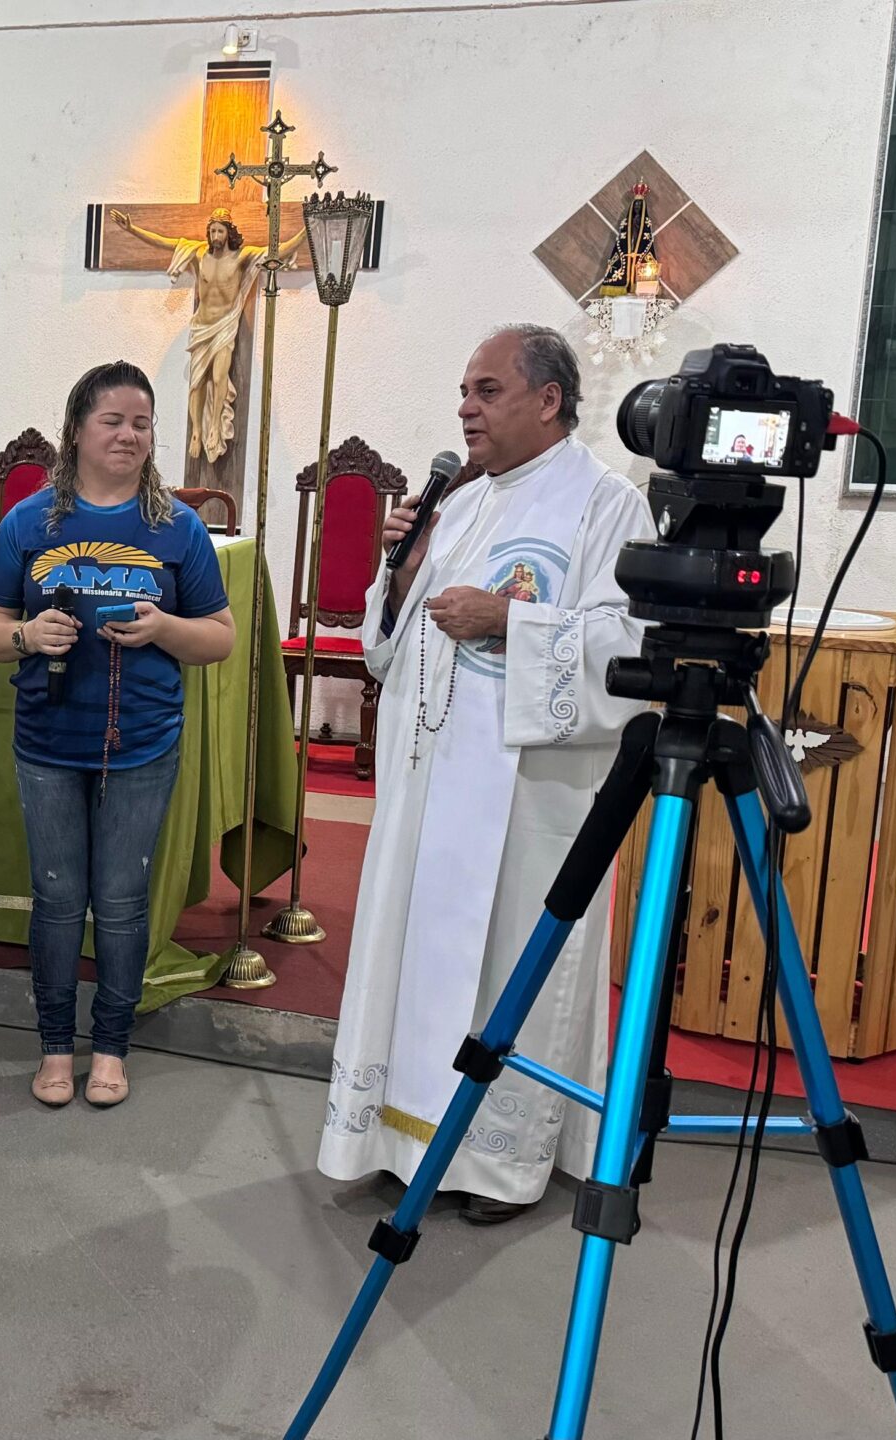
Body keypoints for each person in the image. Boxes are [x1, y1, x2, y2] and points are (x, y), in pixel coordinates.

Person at [318, 324, 656, 1224]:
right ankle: (408, 1141)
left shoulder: (607, 506)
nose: (466, 408)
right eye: (464, 392)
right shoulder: (461, 505)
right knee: (419, 964)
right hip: (429, 793)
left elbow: (631, 649)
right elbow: (387, 653)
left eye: (488, 390)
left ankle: (500, 1165)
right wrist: (403, 575)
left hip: (528, 803)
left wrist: (510, 622)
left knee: (511, 963)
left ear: (549, 400)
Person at [0, 361, 236, 1108]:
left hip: (142, 745)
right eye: (112, 421)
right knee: (56, 899)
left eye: (142, 424)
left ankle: (112, 1044)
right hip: (48, 744)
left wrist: (164, 628)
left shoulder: (177, 528)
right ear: (76, 430)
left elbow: (219, 637)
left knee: (120, 899)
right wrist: (25, 636)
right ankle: (56, 1045)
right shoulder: (30, 522)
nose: (128, 435)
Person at [109, 207, 303, 485]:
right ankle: (197, 432)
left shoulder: (242, 257)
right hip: (202, 326)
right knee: (197, 381)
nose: (215, 236)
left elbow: (279, 251)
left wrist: (306, 230)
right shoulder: (199, 254)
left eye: (220, 230)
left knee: (220, 376)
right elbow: (164, 243)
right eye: (212, 230)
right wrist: (132, 230)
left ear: (229, 232)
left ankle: (213, 427)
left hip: (225, 326)